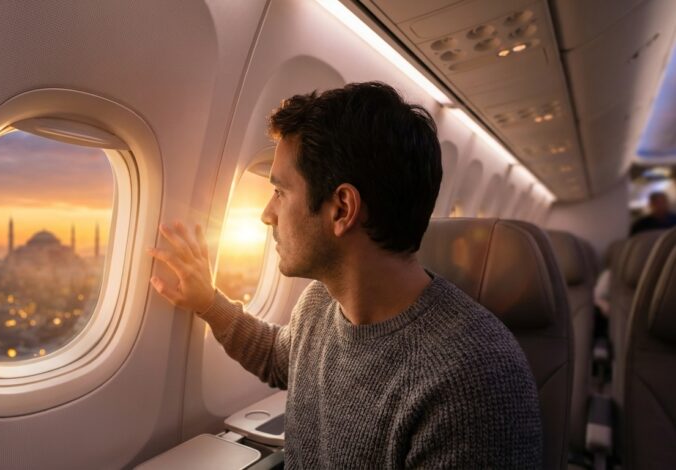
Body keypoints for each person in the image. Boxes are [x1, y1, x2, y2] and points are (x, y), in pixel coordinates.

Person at [148, 82, 542, 468]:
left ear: (342, 209)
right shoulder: (321, 303)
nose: (267, 214)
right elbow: (278, 357)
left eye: (281, 192)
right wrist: (207, 302)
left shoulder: (473, 380)